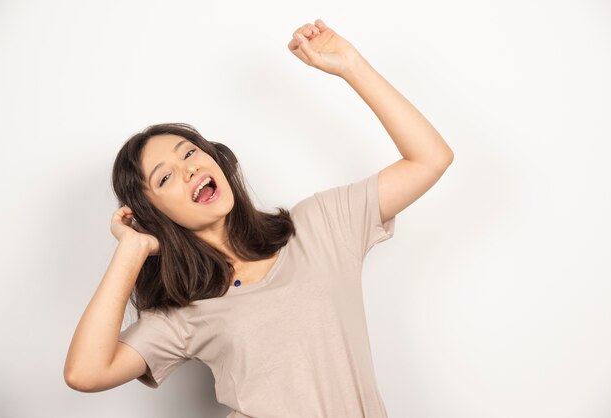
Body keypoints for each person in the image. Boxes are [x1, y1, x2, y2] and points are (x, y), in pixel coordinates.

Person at [64, 18, 454, 417]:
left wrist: (350, 65)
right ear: (155, 213)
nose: (188, 170)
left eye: (189, 152)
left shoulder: (319, 226)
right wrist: (131, 249)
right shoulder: (183, 313)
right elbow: (85, 373)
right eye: (165, 177)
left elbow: (430, 159)